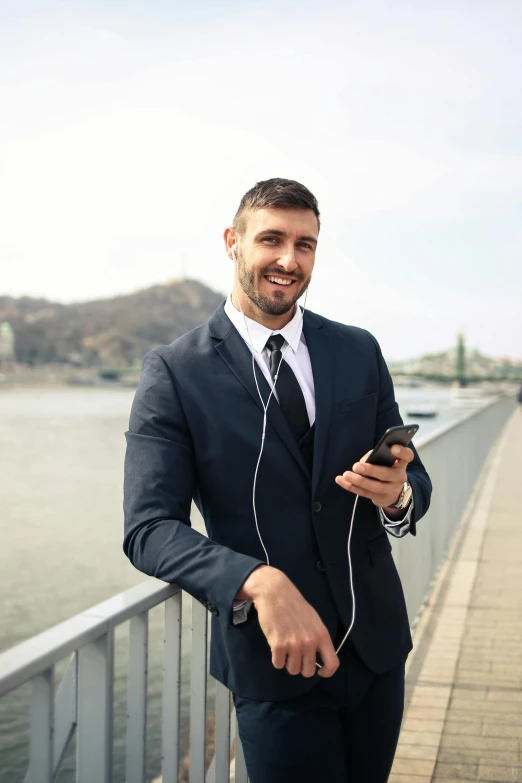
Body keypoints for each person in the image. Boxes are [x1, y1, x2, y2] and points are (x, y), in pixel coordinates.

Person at [123, 178, 432, 783]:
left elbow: (411, 474)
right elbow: (148, 529)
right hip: (274, 663)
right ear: (232, 243)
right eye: (271, 240)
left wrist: (399, 496)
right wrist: (254, 581)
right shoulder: (174, 372)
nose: (289, 261)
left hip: (376, 650)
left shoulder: (358, 350)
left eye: (306, 244)